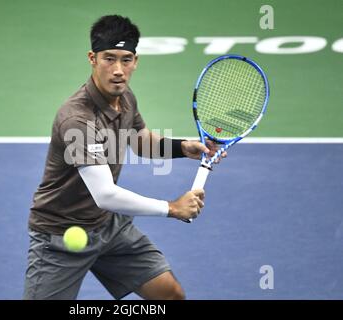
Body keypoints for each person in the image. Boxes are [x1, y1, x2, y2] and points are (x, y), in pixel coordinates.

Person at [24, 15, 225, 300]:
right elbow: (105, 194)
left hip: (108, 226)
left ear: (136, 61)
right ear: (92, 58)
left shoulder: (125, 96)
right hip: (60, 235)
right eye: (109, 58)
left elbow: (140, 141)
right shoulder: (77, 119)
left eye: (126, 59)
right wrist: (172, 208)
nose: (118, 70)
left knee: (169, 295)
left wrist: (184, 148)